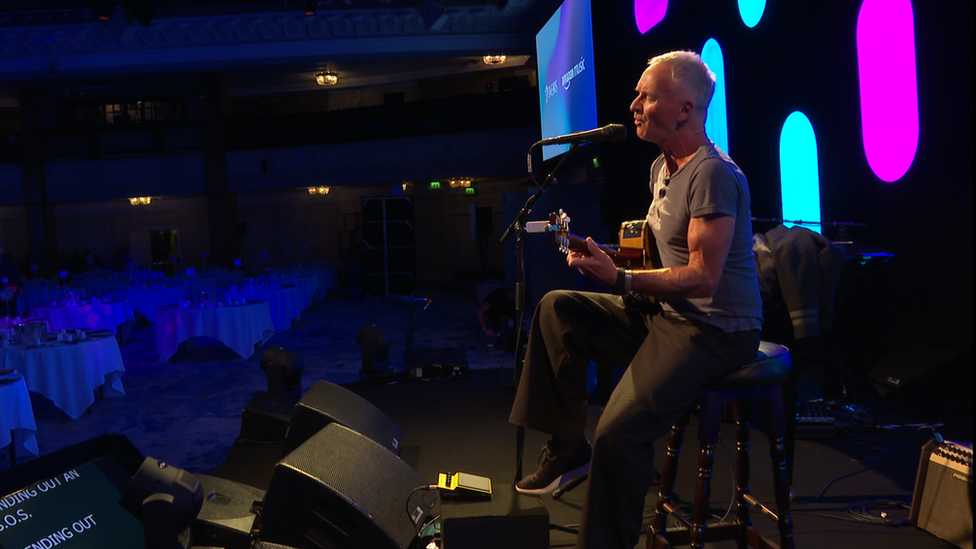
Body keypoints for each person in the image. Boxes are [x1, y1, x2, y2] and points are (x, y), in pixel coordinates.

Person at [508, 51, 763, 549]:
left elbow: (703, 278)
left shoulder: (713, 173)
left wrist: (620, 279)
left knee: (618, 433)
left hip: (714, 329)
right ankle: (567, 448)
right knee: (558, 308)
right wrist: (599, 253)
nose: (634, 105)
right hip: (666, 314)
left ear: (684, 109)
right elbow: (649, 256)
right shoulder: (659, 169)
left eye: (646, 96)